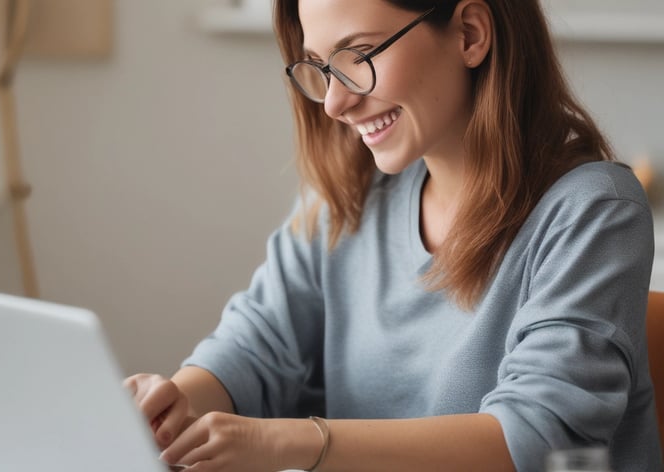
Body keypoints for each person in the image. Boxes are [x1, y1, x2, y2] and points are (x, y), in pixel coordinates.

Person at [125, 0, 663, 470]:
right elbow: (256, 345)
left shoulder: (593, 212)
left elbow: (537, 438)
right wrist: (172, 404)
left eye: (358, 55)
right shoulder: (346, 194)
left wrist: (294, 442)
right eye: (319, 67)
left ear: (470, 34)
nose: (335, 102)